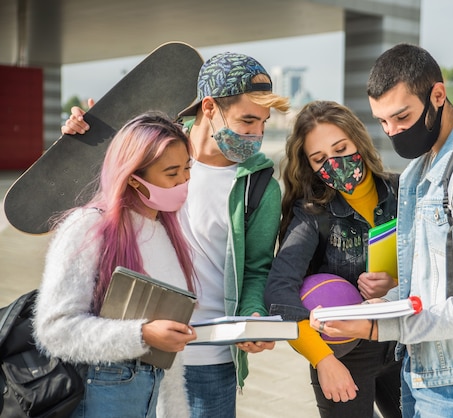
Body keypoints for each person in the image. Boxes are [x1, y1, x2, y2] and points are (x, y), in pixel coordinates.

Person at [61, 51, 290, 418]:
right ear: (210, 107)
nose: (257, 134)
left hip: (211, 356)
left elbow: (258, 269)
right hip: (133, 354)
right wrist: (81, 141)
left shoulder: (260, 186)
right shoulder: (152, 154)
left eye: (263, 123)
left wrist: (252, 313)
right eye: (248, 120)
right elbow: (97, 199)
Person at [310, 43, 453, 418]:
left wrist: (378, 329)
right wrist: (381, 306)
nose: (393, 131)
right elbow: (425, 281)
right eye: (382, 122)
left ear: (438, 95)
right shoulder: (419, 171)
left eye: (402, 117)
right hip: (422, 366)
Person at [34, 113, 198, 418]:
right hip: (98, 395)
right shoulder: (86, 227)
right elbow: (54, 329)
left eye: (187, 168)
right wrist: (143, 334)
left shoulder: (165, 230)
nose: (184, 181)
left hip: (151, 395)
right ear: (134, 177)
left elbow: (169, 361)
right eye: (172, 173)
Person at [265, 100, 402, 418]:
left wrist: (395, 283)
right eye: (319, 158)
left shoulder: (405, 192)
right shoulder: (311, 214)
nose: (334, 162)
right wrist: (323, 359)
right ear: (309, 166)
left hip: (404, 344)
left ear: (358, 140)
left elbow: (440, 271)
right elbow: (279, 291)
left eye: (341, 148)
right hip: (343, 355)